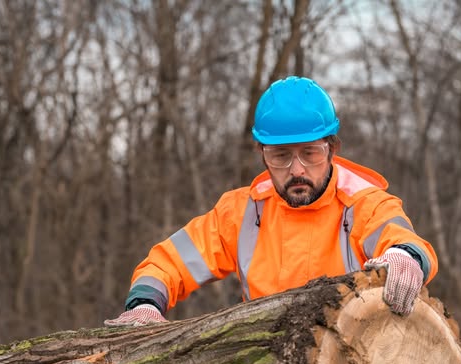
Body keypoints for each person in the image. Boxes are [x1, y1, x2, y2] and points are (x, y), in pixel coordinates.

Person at [105, 76, 437, 327]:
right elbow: (169, 262)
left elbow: (404, 240)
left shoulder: (364, 203)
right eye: (281, 156)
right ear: (262, 155)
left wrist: (405, 257)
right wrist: (145, 303)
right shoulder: (241, 213)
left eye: (310, 153)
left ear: (332, 149)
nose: (297, 170)